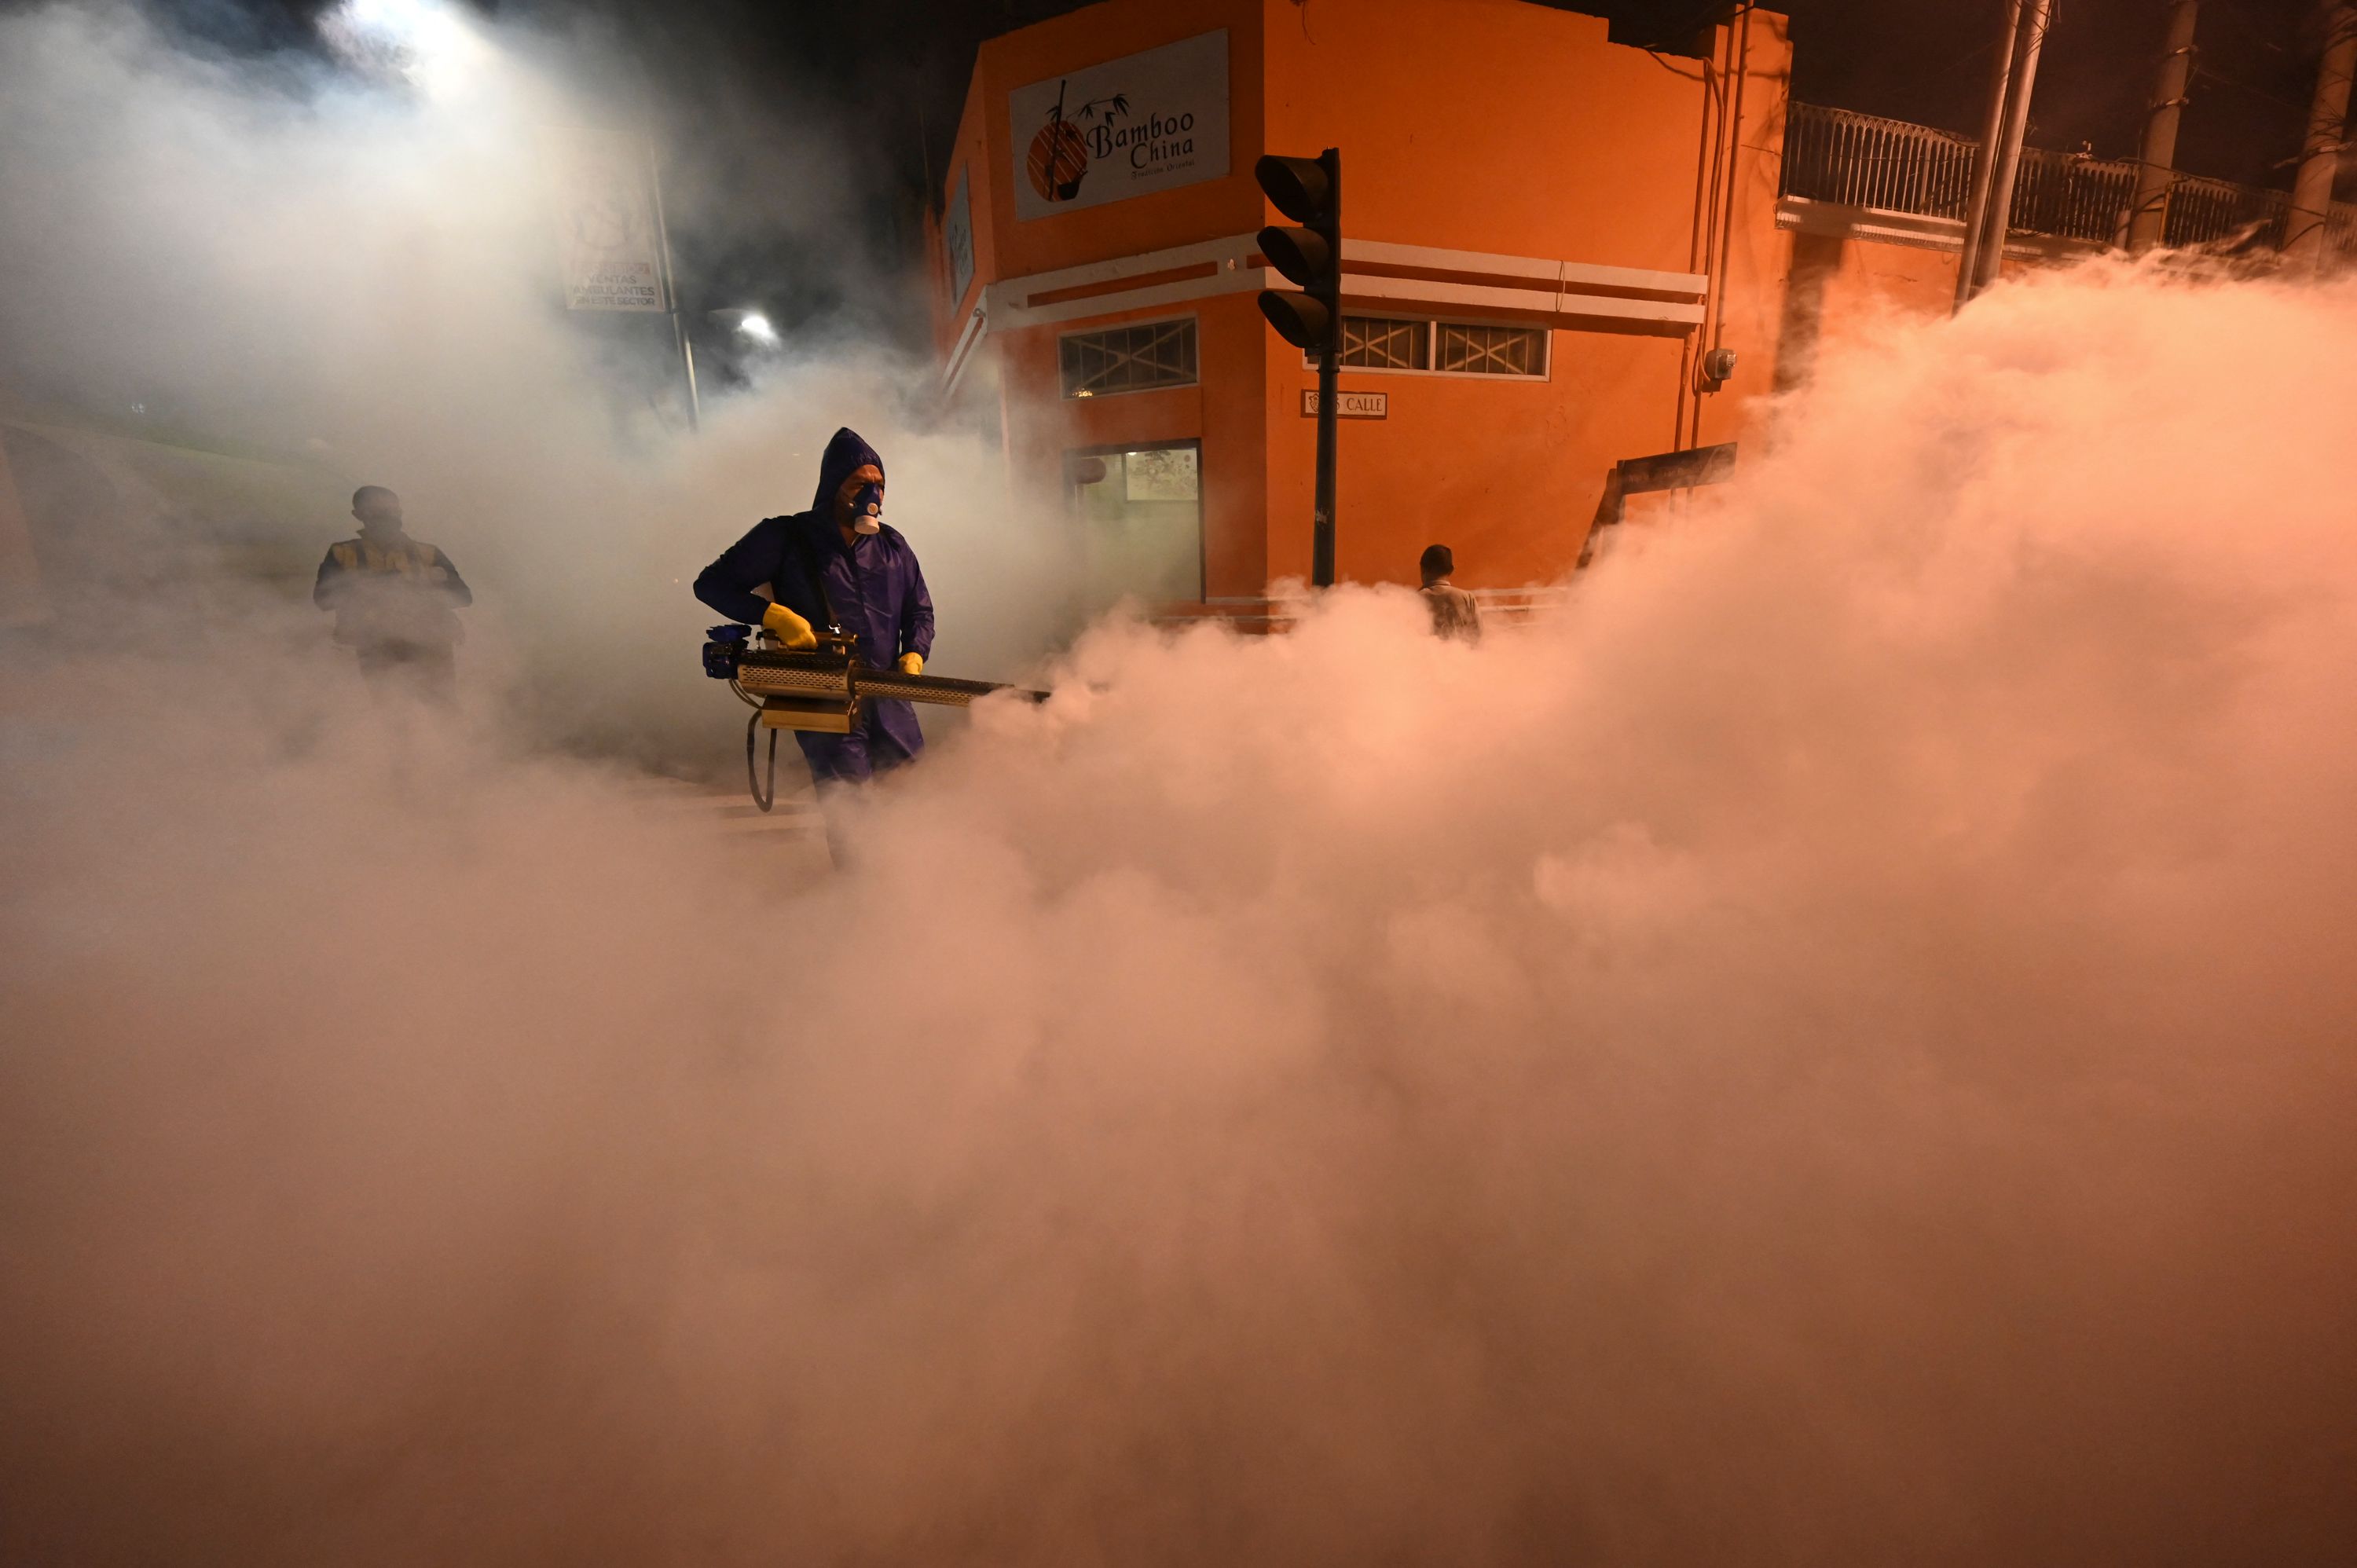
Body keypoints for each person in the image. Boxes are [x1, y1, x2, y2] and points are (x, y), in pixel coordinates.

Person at [693, 428, 935, 838]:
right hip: (824, 695)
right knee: (852, 811)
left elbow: (919, 609)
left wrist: (914, 652)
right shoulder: (786, 537)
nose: (872, 495)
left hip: (889, 694)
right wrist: (772, 615)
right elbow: (711, 584)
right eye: (861, 484)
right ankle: (862, 897)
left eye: (879, 485)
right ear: (834, 486)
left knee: (914, 799)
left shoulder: (893, 546)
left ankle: (918, 890)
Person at [313, 485, 471, 701]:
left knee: (442, 707)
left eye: (390, 509)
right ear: (358, 515)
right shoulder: (343, 553)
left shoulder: (427, 553)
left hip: (431, 646)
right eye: (375, 510)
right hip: (376, 647)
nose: (385, 516)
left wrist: (427, 586)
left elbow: (463, 596)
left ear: (399, 511)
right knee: (390, 711)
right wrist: (383, 584)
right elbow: (323, 599)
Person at [1419, 543, 1481, 644]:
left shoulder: (1414, 600)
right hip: (1461, 657)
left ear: (1422, 569)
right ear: (1451, 570)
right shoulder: (1467, 598)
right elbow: (1477, 636)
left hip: (1426, 658)